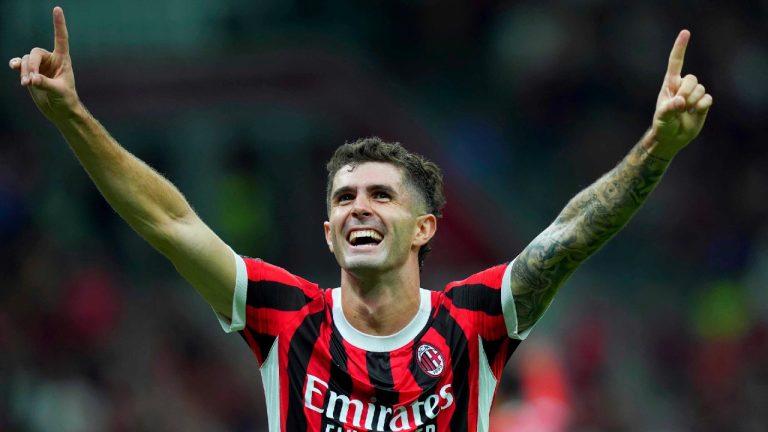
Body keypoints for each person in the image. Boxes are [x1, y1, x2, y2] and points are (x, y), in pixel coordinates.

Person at [9, 7, 712, 432]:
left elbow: (574, 229)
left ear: (425, 228)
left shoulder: (473, 324)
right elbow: (169, 221)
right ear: (327, 234)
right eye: (344, 199)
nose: (359, 209)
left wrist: (659, 145)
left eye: (381, 195)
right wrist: (74, 117)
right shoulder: (285, 318)